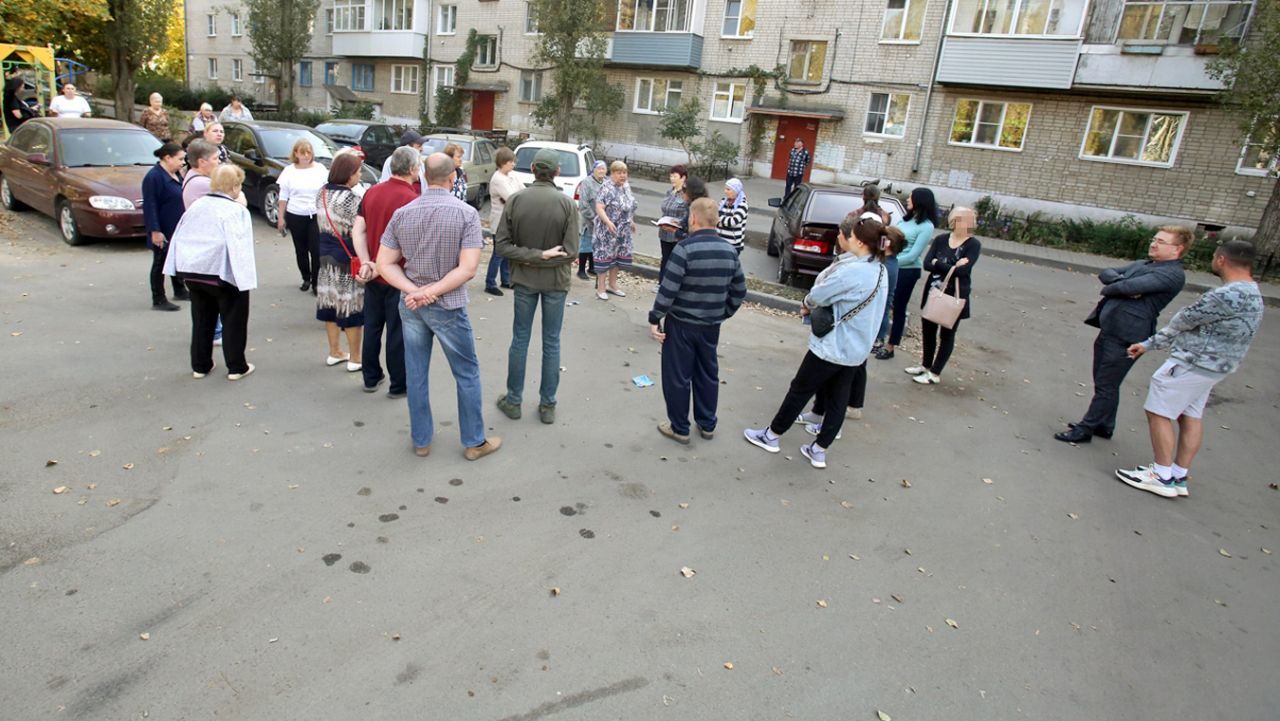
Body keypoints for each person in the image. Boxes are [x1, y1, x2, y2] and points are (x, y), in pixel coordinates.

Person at [376, 153, 501, 461]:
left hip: (412, 305)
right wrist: (430, 292)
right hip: (449, 306)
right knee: (467, 373)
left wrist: (415, 291)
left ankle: (421, 440)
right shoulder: (466, 214)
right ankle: (474, 441)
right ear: (453, 177)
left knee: (416, 373)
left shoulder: (403, 213)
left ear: (423, 176)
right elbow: (468, 268)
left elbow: (384, 263)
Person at [1116, 240, 1263, 499]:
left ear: (1221, 260)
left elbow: (1183, 320)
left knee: (1158, 411)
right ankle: (1178, 474)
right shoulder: (1253, 292)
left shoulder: (1226, 295)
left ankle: (1161, 475)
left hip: (1193, 362)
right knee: (1190, 416)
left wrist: (1149, 344)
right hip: (1216, 366)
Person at [744, 215, 890, 468]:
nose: (850, 239)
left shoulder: (854, 270)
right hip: (857, 349)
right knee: (838, 400)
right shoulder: (880, 268)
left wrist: (806, 305)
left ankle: (772, 435)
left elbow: (819, 294)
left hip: (832, 346)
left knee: (799, 389)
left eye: (853, 236)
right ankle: (819, 450)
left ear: (862, 242)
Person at [1054, 227, 1189, 444]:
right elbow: (1106, 273)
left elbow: (1124, 285)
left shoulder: (1172, 274)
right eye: (1154, 239)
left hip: (1129, 335)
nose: (1154, 244)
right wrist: (1121, 283)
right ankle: (1105, 425)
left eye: (1161, 241)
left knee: (1107, 383)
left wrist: (1118, 285)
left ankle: (1085, 429)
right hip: (1111, 328)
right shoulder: (1144, 264)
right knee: (1104, 380)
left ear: (1177, 249)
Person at [650, 197, 746, 444]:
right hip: (711, 326)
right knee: (707, 373)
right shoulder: (729, 251)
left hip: (681, 323)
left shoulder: (685, 249)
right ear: (716, 221)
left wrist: (655, 317)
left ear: (693, 219)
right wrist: (723, 313)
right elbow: (739, 290)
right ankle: (707, 424)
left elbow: (668, 290)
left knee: (678, 376)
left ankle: (680, 427)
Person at [493, 147, 578, 425]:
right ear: (557, 172)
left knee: (520, 339)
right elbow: (572, 251)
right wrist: (544, 256)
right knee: (551, 342)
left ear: (532, 170)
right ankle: (547, 405)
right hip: (555, 282)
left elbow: (502, 246)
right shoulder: (567, 204)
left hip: (525, 280)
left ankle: (514, 401)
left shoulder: (517, 200)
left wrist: (531, 257)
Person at [801, 225, 906, 426]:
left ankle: (828, 426)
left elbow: (825, 294)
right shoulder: (877, 265)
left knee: (837, 388)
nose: (845, 239)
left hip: (850, 337)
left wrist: (809, 302)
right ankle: (820, 416)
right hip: (852, 337)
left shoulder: (874, 268)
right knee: (835, 385)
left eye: (851, 236)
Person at [163, 164, 257, 381]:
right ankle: (236, 366)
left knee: (202, 318)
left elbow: (180, 235)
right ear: (235, 186)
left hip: (193, 270)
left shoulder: (197, 206)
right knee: (233, 320)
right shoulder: (236, 210)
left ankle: (200, 365)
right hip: (222, 272)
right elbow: (240, 246)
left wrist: (177, 267)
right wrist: (244, 279)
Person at [352, 146, 421, 398]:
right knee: (397, 332)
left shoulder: (372, 192)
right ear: (413, 169)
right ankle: (398, 384)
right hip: (399, 275)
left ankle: (370, 377)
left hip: (373, 273)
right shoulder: (413, 200)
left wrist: (366, 261)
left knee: (372, 327)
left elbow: (357, 229)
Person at [906, 206, 981, 385]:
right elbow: (927, 264)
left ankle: (935, 372)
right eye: (967, 220)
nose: (972, 224)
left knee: (947, 334)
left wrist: (938, 263)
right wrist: (951, 266)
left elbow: (963, 272)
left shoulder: (973, 244)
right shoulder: (941, 239)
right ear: (955, 221)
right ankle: (925, 365)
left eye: (973, 221)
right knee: (928, 331)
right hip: (934, 292)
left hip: (955, 295)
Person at [315, 152, 366, 372]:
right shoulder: (352, 199)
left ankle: (334, 351)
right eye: (358, 171)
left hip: (325, 253)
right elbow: (360, 228)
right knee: (350, 305)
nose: (360, 175)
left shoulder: (322, 193)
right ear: (349, 174)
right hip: (347, 255)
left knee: (330, 302)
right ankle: (355, 358)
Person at [875, 187, 938, 360]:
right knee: (882, 303)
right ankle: (878, 338)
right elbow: (892, 240)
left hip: (907, 271)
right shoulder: (904, 221)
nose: (907, 200)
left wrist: (890, 261)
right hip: (890, 265)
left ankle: (890, 346)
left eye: (910, 197)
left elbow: (913, 255)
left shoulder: (926, 226)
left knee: (898, 308)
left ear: (920, 201)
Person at [276, 139, 329, 293]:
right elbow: (283, 196)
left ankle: (316, 282)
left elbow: (326, 190)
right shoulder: (289, 171)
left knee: (316, 249)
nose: (306, 156)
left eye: (309, 153)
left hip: (315, 214)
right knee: (301, 249)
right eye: (302, 153)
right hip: (296, 214)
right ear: (296, 154)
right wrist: (281, 218)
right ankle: (306, 277)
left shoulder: (319, 169)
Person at [142, 142, 189, 311]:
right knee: (160, 263)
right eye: (180, 159)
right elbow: (150, 205)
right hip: (163, 227)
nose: (183, 162)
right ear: (167, 158)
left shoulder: (176, 174)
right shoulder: (154, 177)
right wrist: (155, 230)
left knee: (177, 260)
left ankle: (180, 289)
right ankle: (159, 298)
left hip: (177, 227)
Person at [593, 161, 637, 301]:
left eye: (624, 173)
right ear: (612, 174)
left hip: (623, 230)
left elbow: (629, 205)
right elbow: (599, 207)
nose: (622, 176)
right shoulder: (607, 187)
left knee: (617, 258)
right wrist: (608, 221)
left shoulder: (626, 187)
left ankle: (612, 285)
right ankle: (601, 288)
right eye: (619, 173)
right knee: (604, 257)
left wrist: (631, 220)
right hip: (607, 230)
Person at [484, 146, 523, 296]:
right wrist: (515, 197)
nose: (513, 164)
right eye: (511, 162)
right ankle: (490, 283)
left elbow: (522, 191)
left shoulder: (512, 175)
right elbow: (511, 197)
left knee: (507, 252)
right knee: (499, 252)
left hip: (510, 219)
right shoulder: (498, 178)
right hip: (500, 220)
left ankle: (506, 279)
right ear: (503, 162)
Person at [657, 165, 689, 285]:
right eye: (671, 176)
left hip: (677, 233)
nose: (672, 178)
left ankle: (672, 284)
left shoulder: (686, 194)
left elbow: (687, 214)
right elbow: (665, 208)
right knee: (665, 258)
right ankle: (662, 283)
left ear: (683, 178)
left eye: (675, 176)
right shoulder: (669, 192)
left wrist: (678, 222)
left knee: (675, 260)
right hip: (664, 232)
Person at [575, 160, 606, 280]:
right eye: (599, 169)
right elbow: (583, 203)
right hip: (588, 219)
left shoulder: (606, 182)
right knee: (586, 243)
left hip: (600, 219)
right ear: (593, 170)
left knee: (596, 244)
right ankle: (581, 270)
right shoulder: (587, 182)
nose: (601, 171)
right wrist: (593, 217)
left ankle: (592, 267)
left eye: (603, 169)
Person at [717, 178, 748, 255]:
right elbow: (715, 215)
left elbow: (733, 222)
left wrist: (718, 218)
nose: (725, 191)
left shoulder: (742, 204)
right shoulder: (723, 201)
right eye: (725, 189)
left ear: (736, 191)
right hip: (719, 242)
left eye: (728, 189)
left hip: (733, 245)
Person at [3, 67, 29, 135]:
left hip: (16, 128)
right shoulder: (12, 99)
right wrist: (29, 114)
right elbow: (18, 115)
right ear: (17, 87)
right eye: (22, 87)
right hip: (18, 128)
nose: (23, 89)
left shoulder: (10, 97)